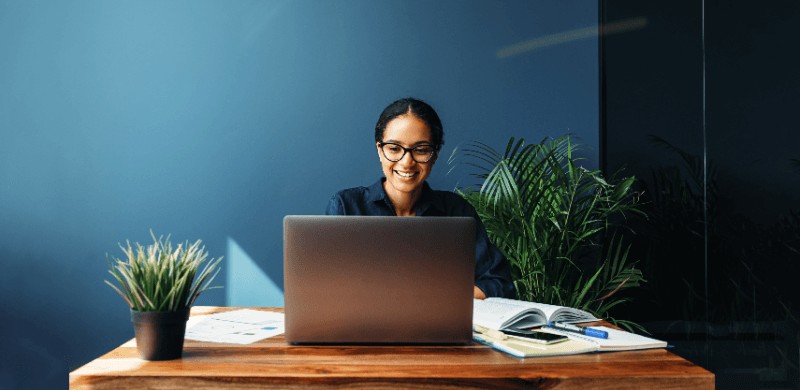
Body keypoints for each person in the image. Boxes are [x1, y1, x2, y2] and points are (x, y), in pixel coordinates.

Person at [325, 97, 515, 299]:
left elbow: (499, 283)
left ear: (435, 154)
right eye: (394, 149)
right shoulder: (347, 207)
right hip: (363, 328)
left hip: (439, 327)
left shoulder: (457, 212)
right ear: (379, 150)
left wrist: (435, 299)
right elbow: (324, 287)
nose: (407, 162)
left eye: (421, 150)